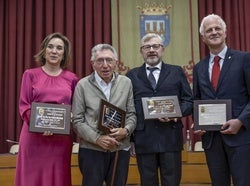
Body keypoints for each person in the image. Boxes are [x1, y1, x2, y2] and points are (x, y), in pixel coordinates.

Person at [193, 14, 250, 186]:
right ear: (203, 38)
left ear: (225, 33)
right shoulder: (199, 67)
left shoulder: (244, 59)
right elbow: (197, 99)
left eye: (218, 28)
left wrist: (240, 121)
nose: (214, 32)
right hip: (212, 139)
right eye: (209, 30)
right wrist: (199, 122)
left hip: (240, 137)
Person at [126, 33, 193, 186]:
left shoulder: (176, 72)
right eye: (147, 47)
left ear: (162, 49)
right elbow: (128, 108)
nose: (151, 50)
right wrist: (131, 140)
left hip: (170, 137)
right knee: (147, 182)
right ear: (141, 51)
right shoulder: (132, 75)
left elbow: (189, 100)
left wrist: (176, 114)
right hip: (143, 139)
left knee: (172, 182)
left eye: (155, 46)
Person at [15, 32, 78, 186]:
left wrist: (67, 120)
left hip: (60, 140)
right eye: (50, 47)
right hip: (34, 137)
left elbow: (76, 108)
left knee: (58, 177)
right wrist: (40, 126)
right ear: (44, 50)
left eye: (59, 48)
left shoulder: (72, 79)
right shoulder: (29, 75)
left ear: (64, 54)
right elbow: (24, 105)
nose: (54, 51)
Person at [72, 43, 136, 186]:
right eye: (100, 60)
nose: (105, 65)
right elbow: (77, 120)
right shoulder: (82, 85)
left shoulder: (126, 83)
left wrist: (126, 130)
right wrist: (97, 138)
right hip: (92, 149)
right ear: (92, 63)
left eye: (109, 60)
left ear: (116, 62)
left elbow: (132, 114)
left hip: (119, 148)